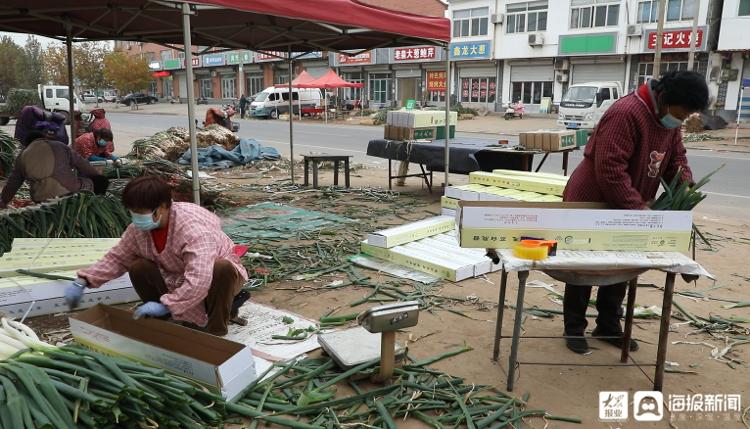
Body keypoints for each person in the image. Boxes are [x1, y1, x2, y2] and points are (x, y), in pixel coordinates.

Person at [561, 70, 709, 354]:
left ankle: (608, 326)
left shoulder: (670, 121)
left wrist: (685, 186)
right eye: (682, 113)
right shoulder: (627, 112)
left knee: (623, 266)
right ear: (666, 99)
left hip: (630, 204)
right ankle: (574, 327)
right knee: (584, 266)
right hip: (593, 201)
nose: (682, 120)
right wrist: (638, 210)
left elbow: (676, 157)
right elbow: (610, 169)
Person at [66, 176, 249, 336]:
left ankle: (216, 329)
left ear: (161, 207)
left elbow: (199, 279)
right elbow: (118, 257)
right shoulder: (138, 229)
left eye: (141, 212)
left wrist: (167, 303)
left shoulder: (192, 229)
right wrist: (83, 281)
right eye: (133, 211)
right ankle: (165, 317)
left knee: (220, 268)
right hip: (178, 274)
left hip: (214, 276)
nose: (136, 217)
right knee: (138, 266)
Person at [0, 123, 109, 209]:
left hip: (40, 198)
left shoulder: (22, 156)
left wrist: (3, 201)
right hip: (68, 191)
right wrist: (97, 178)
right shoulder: (58, 146)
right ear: (43, 138)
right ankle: (97, 207)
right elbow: (83, 165)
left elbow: (13, 183)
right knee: (100, 182)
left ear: (27, 144)